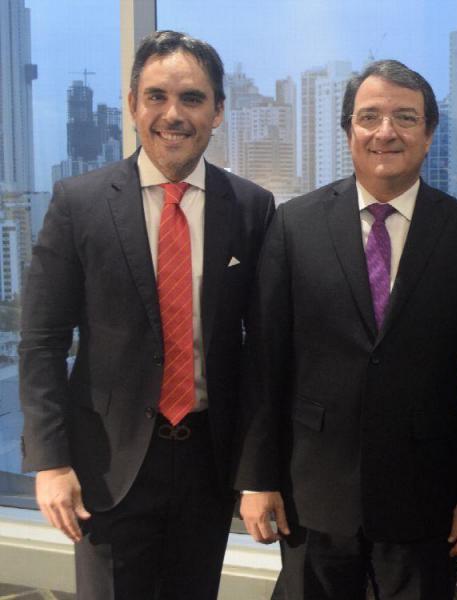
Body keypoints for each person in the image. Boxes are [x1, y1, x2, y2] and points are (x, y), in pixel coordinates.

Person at [235, 59, 457, 599]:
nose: (386, 132)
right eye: (370, 117)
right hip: (312, 491)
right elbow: (265, 362)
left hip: (426, 495)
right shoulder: (294, 225)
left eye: (405, 117)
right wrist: (257, 479)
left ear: (429, 134)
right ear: (348, 132)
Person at [19, 30, 274, 600]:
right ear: (133, 105)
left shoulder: (252, 208)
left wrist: (257, 471)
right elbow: (41, 340)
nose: (173, 114)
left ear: (217, 112)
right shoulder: (78, 203)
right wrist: (51, 463)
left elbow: (261, 350)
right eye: (156, 96)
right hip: (108, 465)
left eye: (192, 99)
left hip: (209, 462)